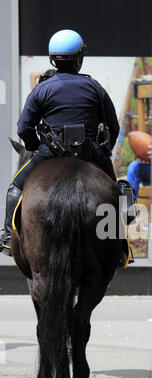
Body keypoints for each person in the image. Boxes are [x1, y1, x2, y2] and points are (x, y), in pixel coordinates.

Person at [0, 29, 134, 256]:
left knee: (16, 188)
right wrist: (104, 152)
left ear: (53, 59)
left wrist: (34, 147)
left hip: (50, 152)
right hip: (90, 152)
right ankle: (120, 243)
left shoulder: (41, 89)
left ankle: (5, 238)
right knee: (117, 189)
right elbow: (113, 126)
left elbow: (24, 127)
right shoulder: (95, 88)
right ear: (79, 60)